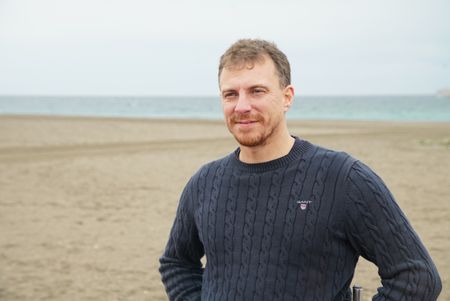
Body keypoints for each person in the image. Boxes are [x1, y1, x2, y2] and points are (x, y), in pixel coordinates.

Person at [159, 39, 441, 300]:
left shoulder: (343, 178)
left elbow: (417, 277)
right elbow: (177, 263)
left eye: (257, 91)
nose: (242, 106)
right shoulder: (205, 182)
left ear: (287, 97)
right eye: (230, 94)